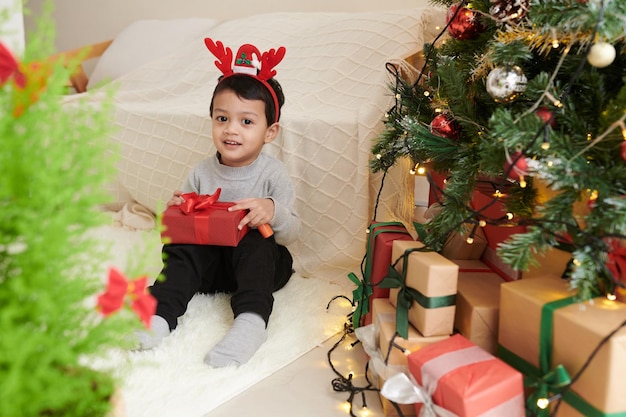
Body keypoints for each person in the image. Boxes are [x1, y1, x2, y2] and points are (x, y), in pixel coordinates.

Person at [136, 38, 301, 367]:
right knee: (182, 251)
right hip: (211, 270)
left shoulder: (272, 173)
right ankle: (159, 315)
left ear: (270, 131)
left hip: (260, 268)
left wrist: (271, 210)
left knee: (258, 243)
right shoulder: (201, 172)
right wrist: (177, 212)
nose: (231, 130)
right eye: (222, 119)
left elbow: (293, 232)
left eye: (247, 121)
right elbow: (177, 235)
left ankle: (252, 322)